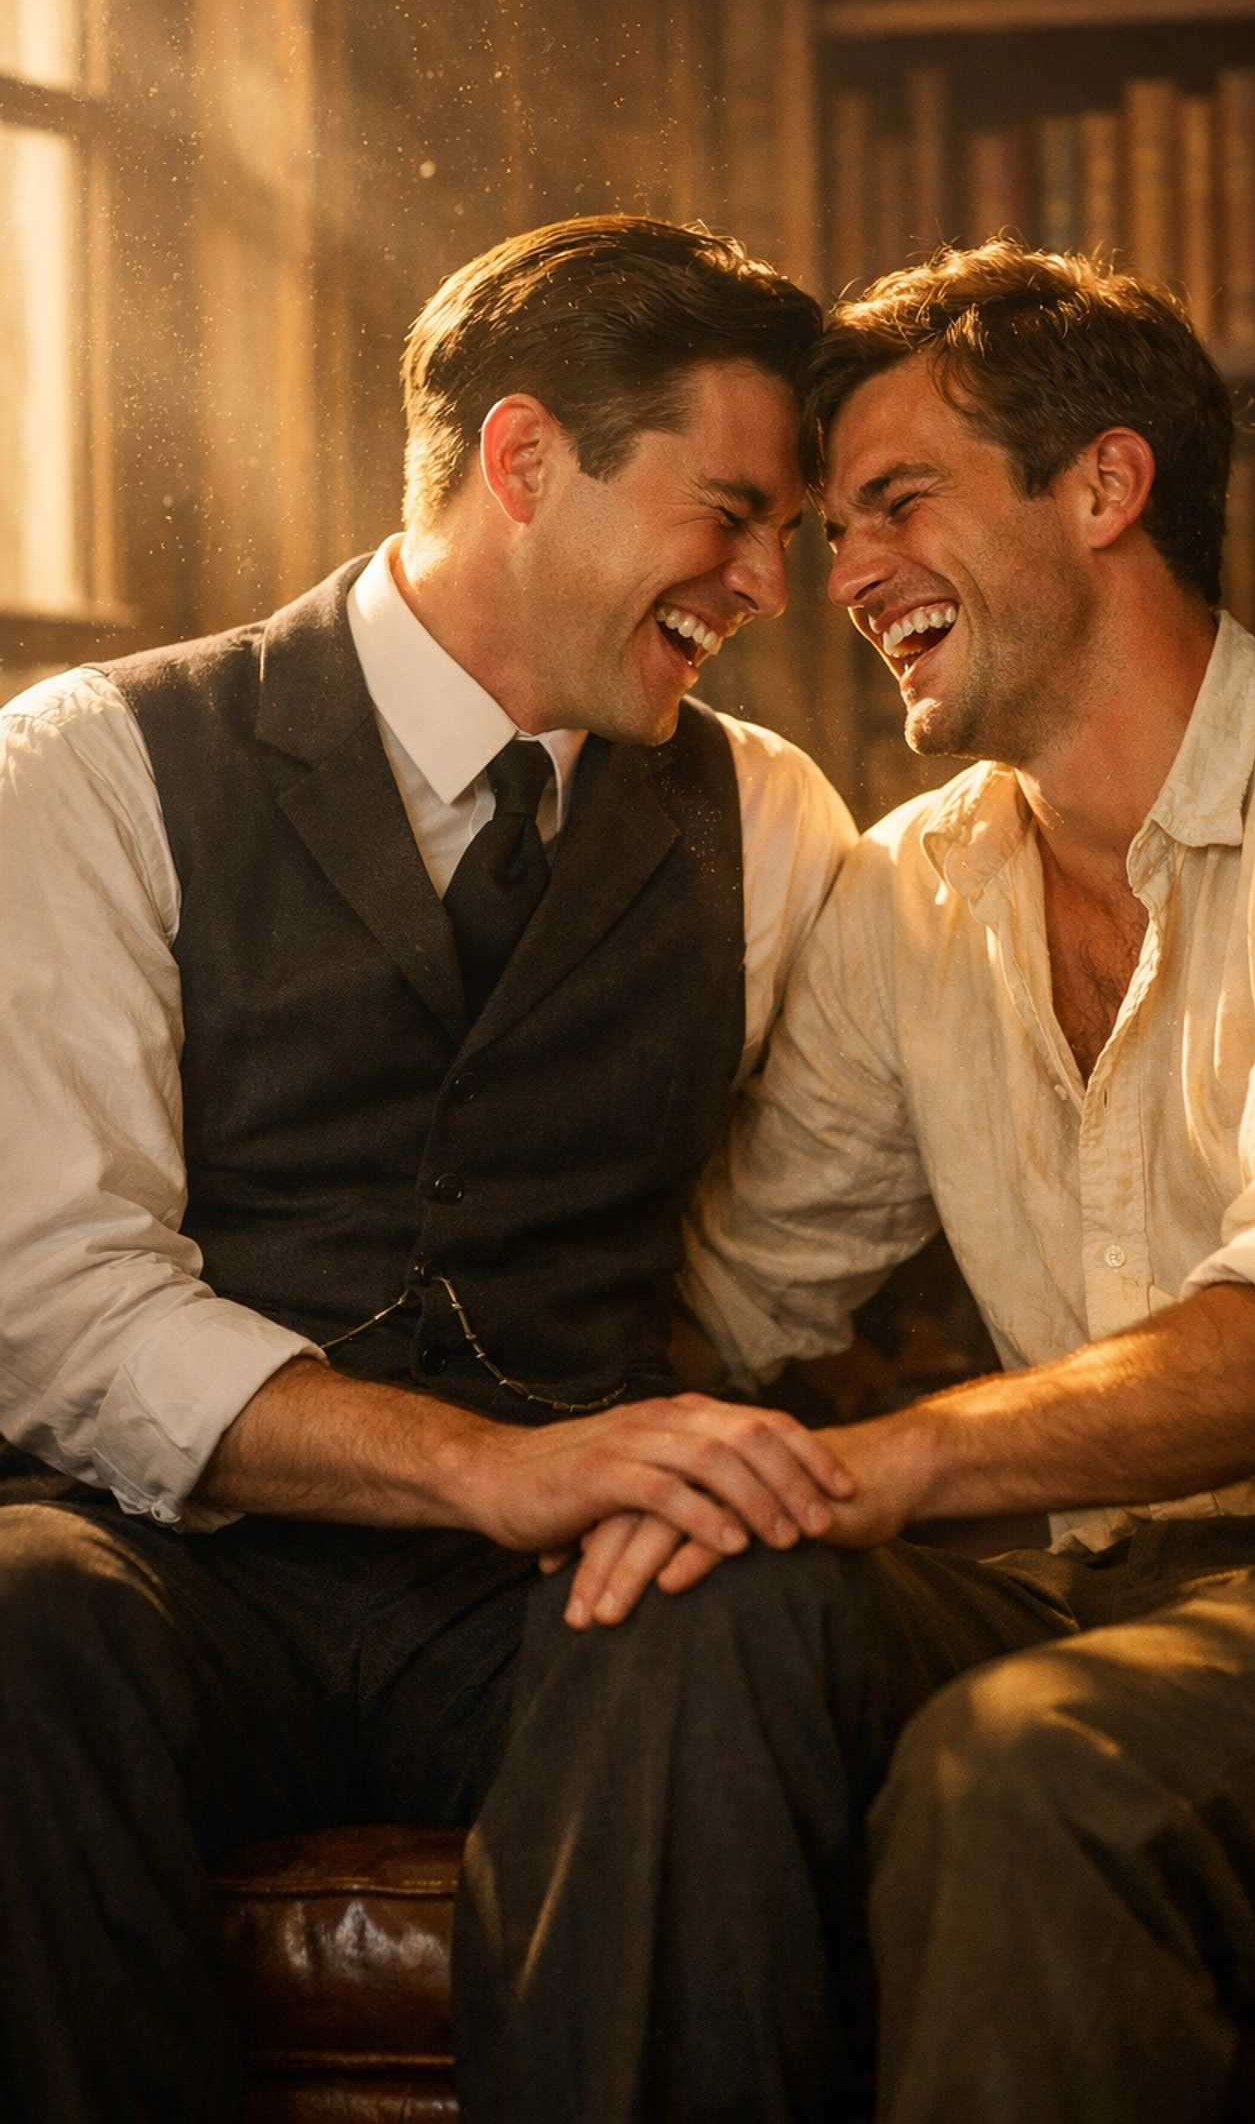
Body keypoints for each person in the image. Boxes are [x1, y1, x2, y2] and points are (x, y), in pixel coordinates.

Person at [496, 244, 1255, 2124]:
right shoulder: (915, 886)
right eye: (834, 531)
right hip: (1110, 1583)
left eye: (900, 503)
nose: (845, 572)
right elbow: (736, 1294)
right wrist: (495, 1462)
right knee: (687, 1609)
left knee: (1025, 1765)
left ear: (1106, 489)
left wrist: (900, 1464)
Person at [0, 214, 863, 2122]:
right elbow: (56, 1307)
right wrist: (483, 1465)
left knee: (731, 1603)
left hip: (548, 1601)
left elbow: (792, 1247)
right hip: (177, 1573)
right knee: (12, 1610)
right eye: (730, 514)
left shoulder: (779, 819)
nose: (766, 584)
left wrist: (642, 1454)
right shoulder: (88, 764)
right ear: (527, 457)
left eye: (786, 535)